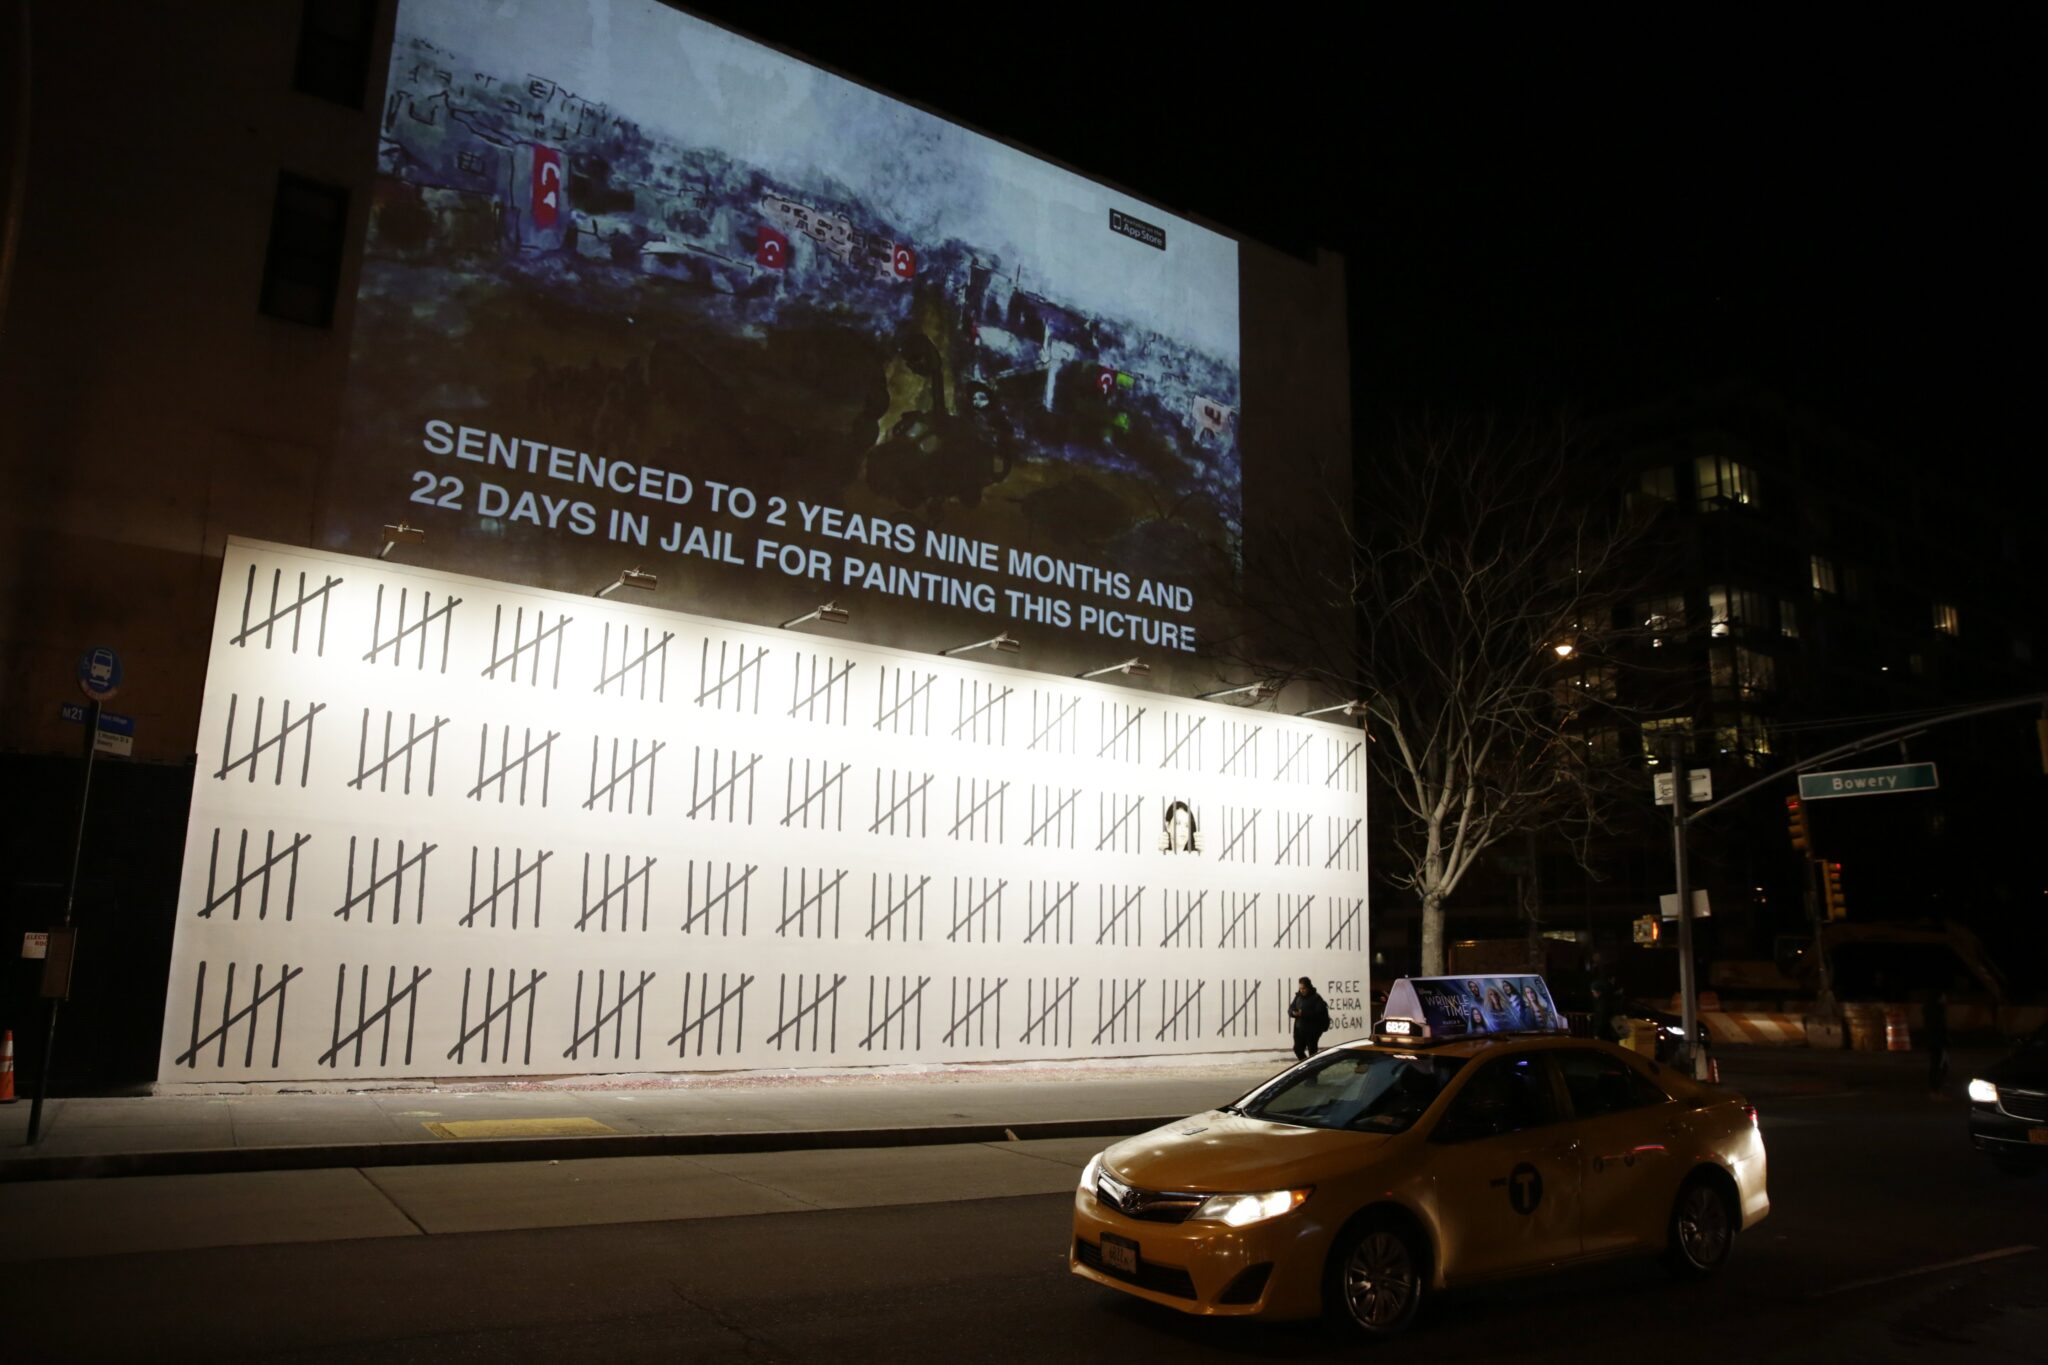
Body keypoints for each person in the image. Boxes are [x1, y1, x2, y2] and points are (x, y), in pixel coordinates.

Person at [1290, 977, 1331, 1060]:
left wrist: (1303, 1013)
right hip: (1299, 1030)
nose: (1302, 990)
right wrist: (1293, 1013)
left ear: (1308, 987)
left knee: (1312, 1053)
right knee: (1297, 1049)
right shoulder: (1298, 997)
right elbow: (1291, 1008)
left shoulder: (1316, 998)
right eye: (1300, 988)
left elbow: (1319, 1014)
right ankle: (1306, 1066)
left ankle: (1312, 1069)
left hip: (1312, 1032)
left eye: (1304, 988)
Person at [1924, 992, 1950, 1095]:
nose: (1945, 999)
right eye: (1943, 997)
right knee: (1938, 1065)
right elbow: (1939, 1029)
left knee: (1941, 1064)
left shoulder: (1934, 1011)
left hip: (1937, 1042)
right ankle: (1935, 1089)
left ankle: (1936, 1087)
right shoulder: (1936, 1012)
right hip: (1937, 1043)